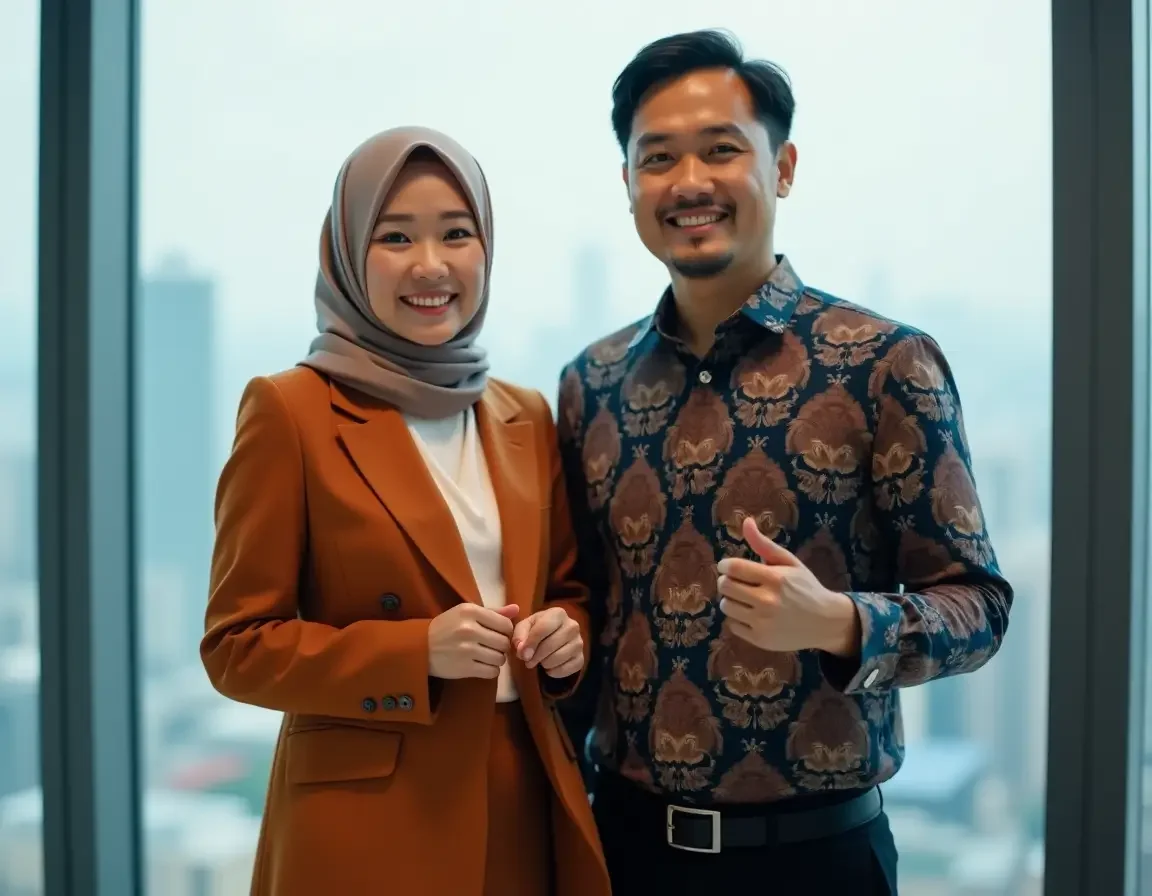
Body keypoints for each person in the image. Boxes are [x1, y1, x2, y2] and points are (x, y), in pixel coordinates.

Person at [555, 30, 1013, 895]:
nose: (689, 181)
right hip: (620, 849)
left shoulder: (884, 363)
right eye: (657, 158)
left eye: (722, 149)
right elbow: (585, 607)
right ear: (628, 185)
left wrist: (839, 622)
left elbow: (980, 607)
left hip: (817, 861)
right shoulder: (592, 382)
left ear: (784, 166)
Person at [201, 126, 610, 896]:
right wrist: (415, 651)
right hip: (371, 818)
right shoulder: (290, 411)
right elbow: (237, 647)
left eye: (457, 234)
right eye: (396, 237)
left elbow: (567, 594)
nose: (431, 265)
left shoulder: (522, 415)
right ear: (351, 255)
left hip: (521, 793)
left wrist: (565, 637)